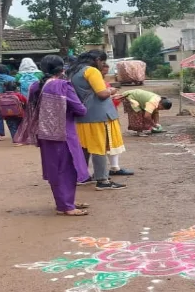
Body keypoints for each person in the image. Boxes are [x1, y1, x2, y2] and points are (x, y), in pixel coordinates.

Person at [14, 55, 91, 216]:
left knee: (55, 169)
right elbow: (80, 109)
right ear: (62, 69)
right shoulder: (63, 86)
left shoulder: (36, 86)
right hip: (64, 133)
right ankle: (67, 206)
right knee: (68, 168)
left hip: (45, 133)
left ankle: (65, 202)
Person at [68, 50, 129, 190]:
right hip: (99, 114)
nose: (103, 65)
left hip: (81, 115)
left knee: (85, 147)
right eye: (102, 61)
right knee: (99, 147)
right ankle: (102, 180)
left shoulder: (73, 71)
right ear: (96, 59)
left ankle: (81, 176)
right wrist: (112, 91)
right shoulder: (91, 71)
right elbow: (102, 93)